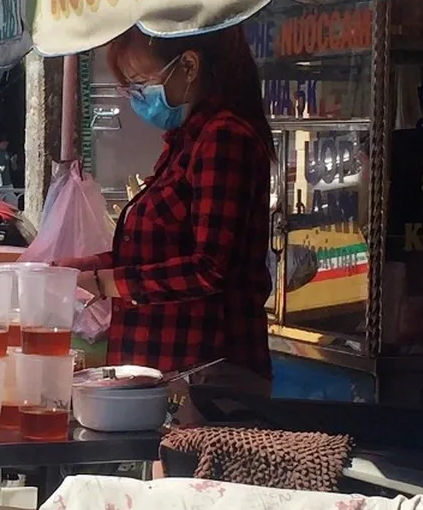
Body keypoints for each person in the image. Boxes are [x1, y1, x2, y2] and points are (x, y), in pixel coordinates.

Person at [55, 25, 275, 419]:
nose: (137, 96)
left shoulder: (224, 139)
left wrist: (106, 283)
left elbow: (211, 268)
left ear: (188, 66)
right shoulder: (186, 142)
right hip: (168, 374)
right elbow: (164, 249)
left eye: (140, 82)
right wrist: (88, 268)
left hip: (209, 377)